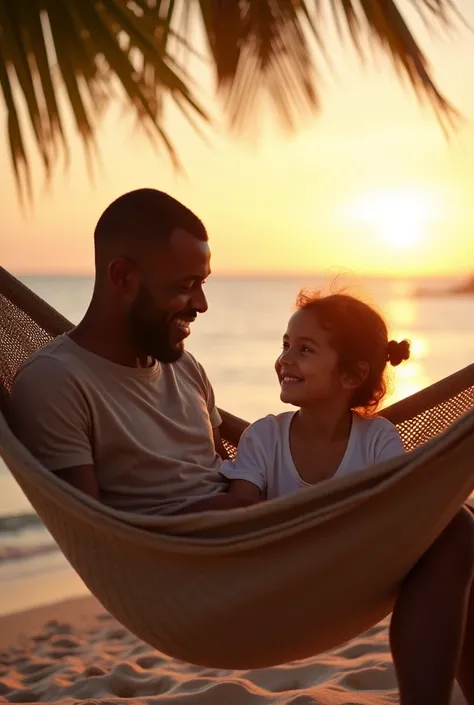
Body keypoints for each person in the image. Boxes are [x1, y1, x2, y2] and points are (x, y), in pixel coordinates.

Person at [8, 188, 474, 705]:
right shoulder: (55, 384)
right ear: (122, 277)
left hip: (254, 545)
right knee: (453, 531)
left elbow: (236, 458)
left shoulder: (183, 368)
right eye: (186, 287)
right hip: (188, 574)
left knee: (448, 520)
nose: (202, 304)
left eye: (203, 285)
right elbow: (96, 533)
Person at [221, 291, 410, 502]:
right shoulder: (263, 438)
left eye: (305, 349)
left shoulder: (378, 440)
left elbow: (397, 513)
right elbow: (238, 518)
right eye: (285, 345)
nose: (284, 359)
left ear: (352, 376)